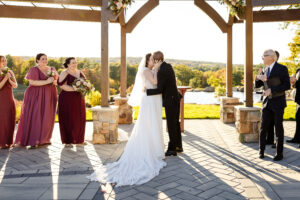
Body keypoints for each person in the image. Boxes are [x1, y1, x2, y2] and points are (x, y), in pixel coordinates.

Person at [87, 53, 166, 186]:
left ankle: (155, 148)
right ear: (147, 61)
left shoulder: (151, 71)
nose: (154, 61)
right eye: (152, 60)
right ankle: (148, 150)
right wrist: (157, 69)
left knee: (154, 124)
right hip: (149, 101)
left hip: (154, 99)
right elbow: (154, 82)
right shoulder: (147, 71)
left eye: (155, 60)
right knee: (148, 124)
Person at [15, 53, 58, 148]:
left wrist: (54, 82)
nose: (45, 60)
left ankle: (44, 139)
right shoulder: (34, 70)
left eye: (46, 59)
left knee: (47, 116)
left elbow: (56, 81)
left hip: (49, 95)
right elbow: (32, 82)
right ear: (37, 60)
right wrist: (47, 81)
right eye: (42, 59)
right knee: (36, 115)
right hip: (35, 95)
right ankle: (33, 140)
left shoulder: (52, 69)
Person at [255, 49, 290, 161]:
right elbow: (257, 86)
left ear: (272, 57)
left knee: (278, 128)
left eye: (264, 55)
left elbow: (287, 85)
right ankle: (261, 151)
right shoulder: (265, 69)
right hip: (266, 103)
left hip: (278, 103)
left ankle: (279, 154)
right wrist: (258, 78)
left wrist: (272, 90)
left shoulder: (282, 68)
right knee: (263, 128)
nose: (262, 58)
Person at [146, 51, 182, 156]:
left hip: (170, 101)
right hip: (175, 98)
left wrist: (147, 91)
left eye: (153, 60)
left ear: (158, 60)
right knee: (175, 123)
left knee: (171, 124)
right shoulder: (168, 66)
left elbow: (159, 90)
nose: (152, 61)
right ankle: (178, 146)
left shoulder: (162, 71)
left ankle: (172, 149)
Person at [58, 57, 87, 147]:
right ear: (68, 64)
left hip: (79, 98)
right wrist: (76, 89)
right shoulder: (64, 72)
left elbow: (85, 83)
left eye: (75, 62)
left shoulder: (80, 72)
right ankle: (68, 140)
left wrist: (84, 87)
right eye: (72, 63)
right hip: (67, 98)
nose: (75, 64)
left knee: (80, 117)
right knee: (68, 118)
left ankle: (79, 140)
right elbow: (62, 86)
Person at [0, 55, 17, 149]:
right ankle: (1, 142)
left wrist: (9, 78)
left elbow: (15, 85)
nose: (5, 62)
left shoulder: (10, 72)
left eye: (5, 60)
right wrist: (5, 78)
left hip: (9, 99)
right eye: (2, 61)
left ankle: (8, 141)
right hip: (1, 100)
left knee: (10, 120)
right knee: (2, 121)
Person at [287, 68, 300, 145]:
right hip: (298, 99)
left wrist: (295, 82)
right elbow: (295, 85)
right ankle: (297, 138)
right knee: (298, 118)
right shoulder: (298, 70)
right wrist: (293, 82)